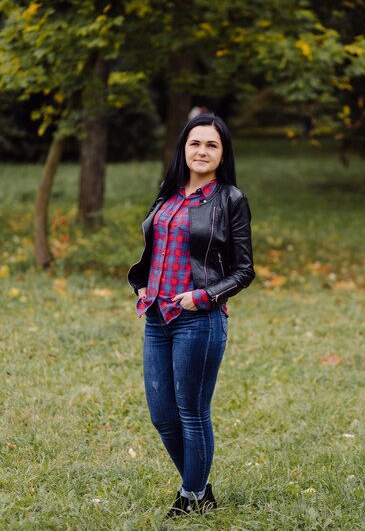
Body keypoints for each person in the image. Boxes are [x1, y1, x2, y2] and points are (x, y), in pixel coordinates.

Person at [127, 112, 255, 517]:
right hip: (156, 317)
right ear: (184, 148)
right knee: (162, 416)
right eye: (195, 143)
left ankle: (193, 498)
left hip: (198, 320)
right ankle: (199, 487)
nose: (202, 151)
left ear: (222, 153)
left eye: (211, 145)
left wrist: (202, 297)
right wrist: (141, 282)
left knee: (192, 413)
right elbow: (156, 248)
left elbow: (244, 270)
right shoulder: (168, 193)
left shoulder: (229, 200)